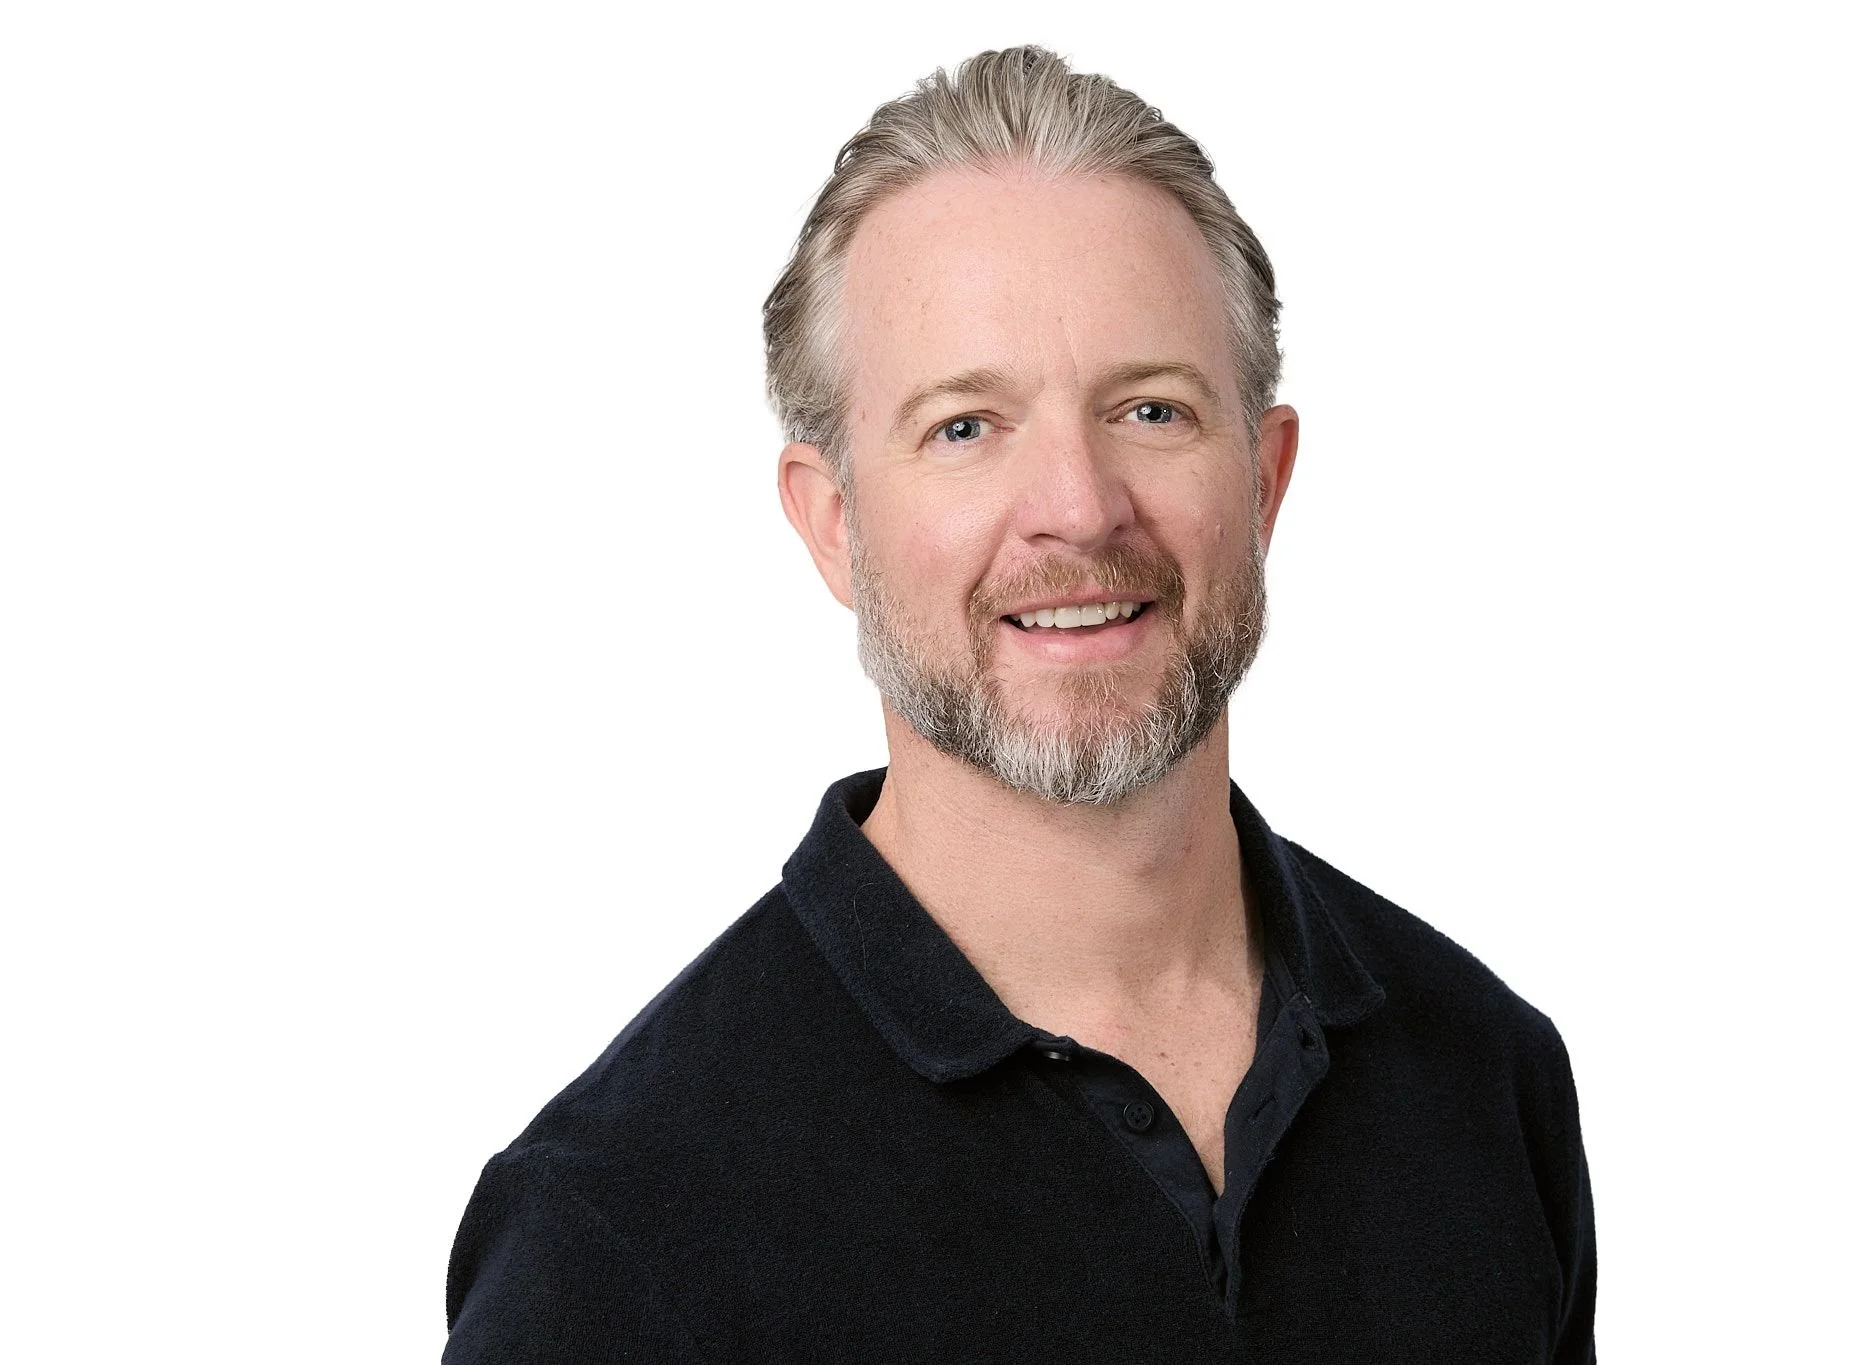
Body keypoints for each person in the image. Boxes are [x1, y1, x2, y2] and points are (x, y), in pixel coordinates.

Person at [444, 45, 1596, 1363]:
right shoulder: (622, 1231)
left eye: (1152, 409)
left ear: (1265, 481)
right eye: (965, 427)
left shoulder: (1485, 1079)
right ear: (833, 525)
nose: (1078, 505)